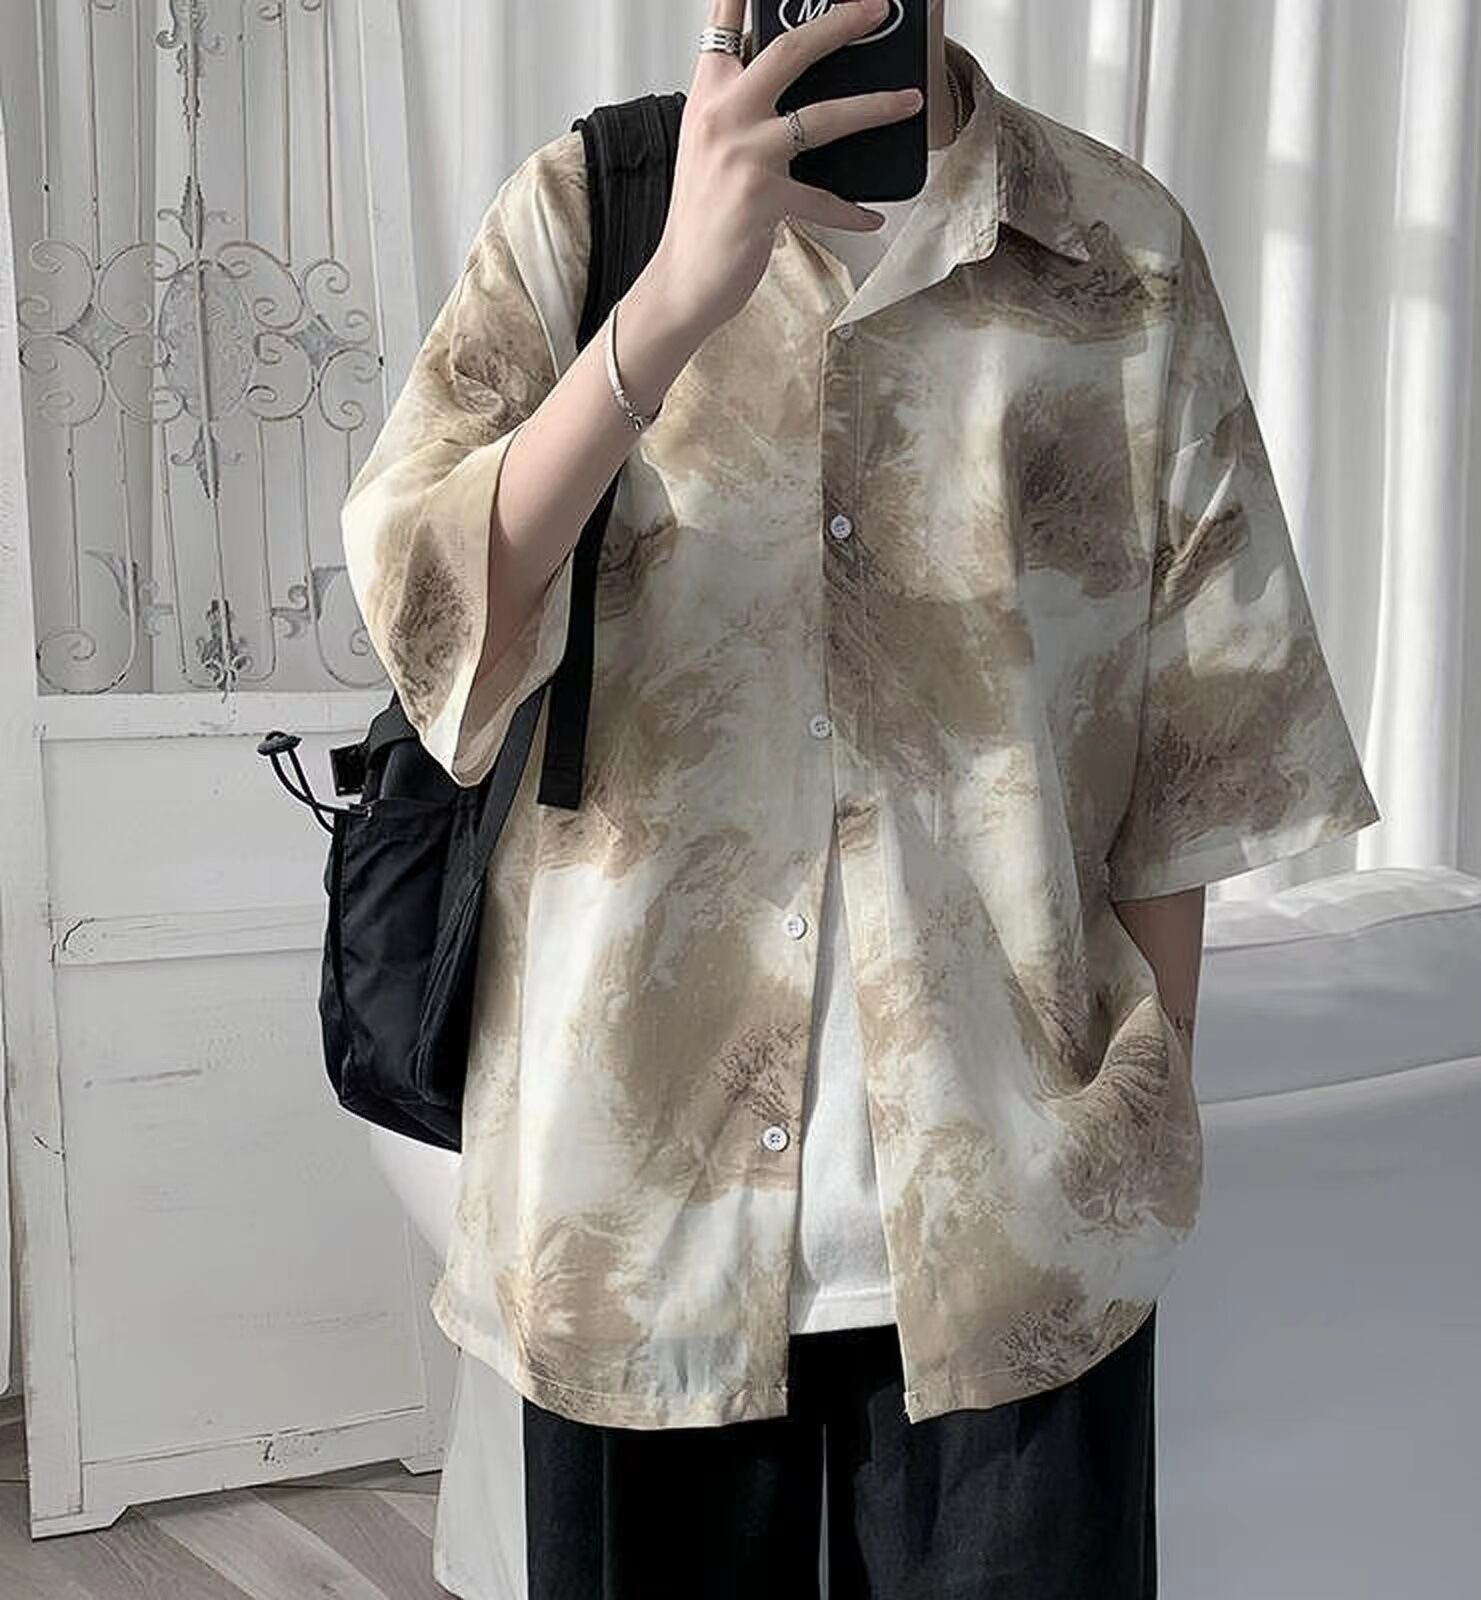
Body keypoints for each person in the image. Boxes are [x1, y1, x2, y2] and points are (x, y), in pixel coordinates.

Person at [339, 0, 1381, 1593]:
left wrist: (1130, 1110)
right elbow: (426, 614)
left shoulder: (1117, 254)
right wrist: (669, 304)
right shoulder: (587, 211)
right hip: (635, 1221)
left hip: (1016, 1227)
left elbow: (1203, 740)